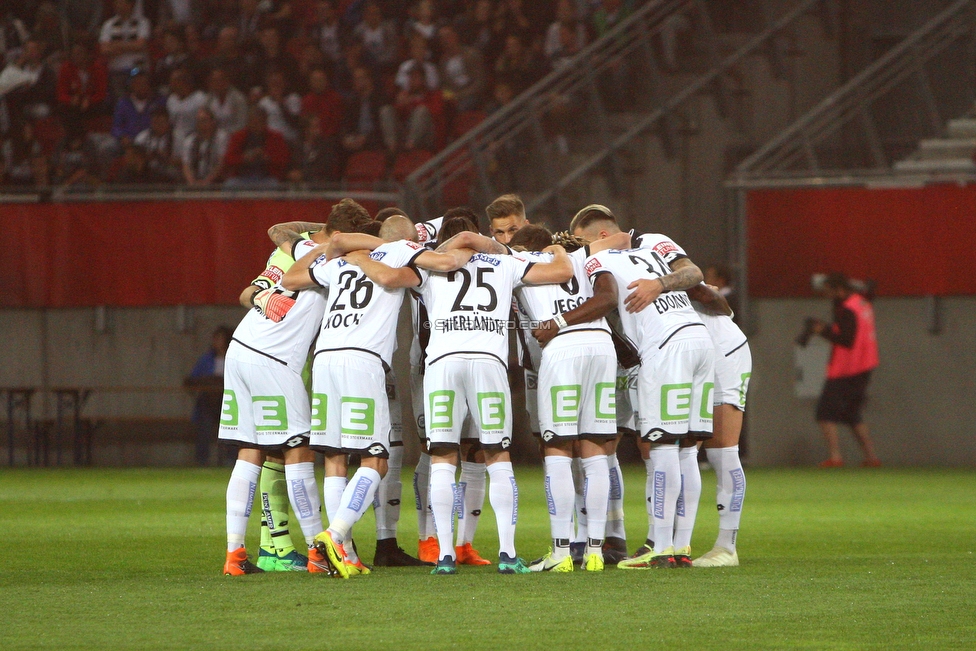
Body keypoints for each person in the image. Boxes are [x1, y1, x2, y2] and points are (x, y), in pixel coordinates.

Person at [282, 212, 475, 577]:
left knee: (336, 457)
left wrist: (330, 249)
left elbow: (291, 279)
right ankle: (335, 535)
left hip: (323, 360)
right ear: (408, 238)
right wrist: (473, 252)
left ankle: (342, 554)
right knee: (376, 459)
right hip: (362, 361)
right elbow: (446, 262)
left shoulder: (342, 263)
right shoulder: (402, 250)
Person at [551, 204, 714, 569]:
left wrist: (657, 285)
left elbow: (604, 295)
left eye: (583, 242)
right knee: (687, 448)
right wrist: (663, 281)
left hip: (666, 347)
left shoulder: (601, 258)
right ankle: (680, 548)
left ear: (600, 237)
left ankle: (662, 544)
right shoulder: (654, 245)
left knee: (662, 445)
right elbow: (694, 275)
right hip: (700, 341)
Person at [413, 217, 574, 574]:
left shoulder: (428, 263)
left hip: (441, 362)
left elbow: (390, 276)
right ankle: (506, 553)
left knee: (442, 455)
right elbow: (562, 272)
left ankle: (444, 556)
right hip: (488, 361)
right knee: (497, 454)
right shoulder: (505, 262)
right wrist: (557, 247)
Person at [509, 225, 616, 573]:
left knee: (557, 449)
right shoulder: (585, 256)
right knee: (595, 448)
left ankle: (561, 553)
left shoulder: (519, 260)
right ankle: (596, 551)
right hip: (602, 345)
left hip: (563, 348)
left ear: (525, 246)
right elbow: (609, 291)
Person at [688, 284, 751, 568]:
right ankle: (672, 544)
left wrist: (675, 284)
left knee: (721, 449)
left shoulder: (654, 253)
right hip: (681, 353)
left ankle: (727, 546)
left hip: (721, 350)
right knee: (673, 449)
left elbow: (717, 301)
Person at [810, 272, 881, 468]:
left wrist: (822, 331)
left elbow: (846, 339)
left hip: (847, 367)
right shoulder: (862, 303)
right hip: (864, 364)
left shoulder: (847, 309)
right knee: (852, 413)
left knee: (825, 412)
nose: (827, 296)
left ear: (838, 290)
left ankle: (835, 456)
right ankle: (871, 456)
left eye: (828, 292)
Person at [185, 326, 234, 466]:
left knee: (232, 429)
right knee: (204, 426)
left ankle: (231, 460)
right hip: (209, 402)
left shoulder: (234, 357)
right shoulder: (207, 359)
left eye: (220, 339)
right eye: (215, 339)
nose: (216, 342)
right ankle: (202, 460)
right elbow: (192, 379)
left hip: (228, 401)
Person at [222, 106, 290, 188]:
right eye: (253, 122)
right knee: (230, 185)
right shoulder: (238, 136)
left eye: (259, 122)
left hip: (266, 177)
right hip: (242, 177)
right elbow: (228, 159)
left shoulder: (276, 137)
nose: (255, 125)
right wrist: (244, 158)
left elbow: (284, 160)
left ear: (265, 122)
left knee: (274, 185)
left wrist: (266, 158)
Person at [99, 0, 151, 99]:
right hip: (117, 70)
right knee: (120, 100)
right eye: (117, 3)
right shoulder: (109, 25)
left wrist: (115, 45)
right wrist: (130, 46)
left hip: (137, 70)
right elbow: (104, 49)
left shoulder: (142, 22)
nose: (119, 6)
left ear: (130, 4)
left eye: (122, 3)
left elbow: (140, 46)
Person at [182, 106, 228, 186]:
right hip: (194, 179)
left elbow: (221, 163)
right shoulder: (189, 140)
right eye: (198, 121)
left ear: (212, 121)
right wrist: (192, 183)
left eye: (204, 120)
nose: (201, 124)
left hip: (216, 181)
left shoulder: (221, 137)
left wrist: (206, 182)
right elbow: (186, 165)